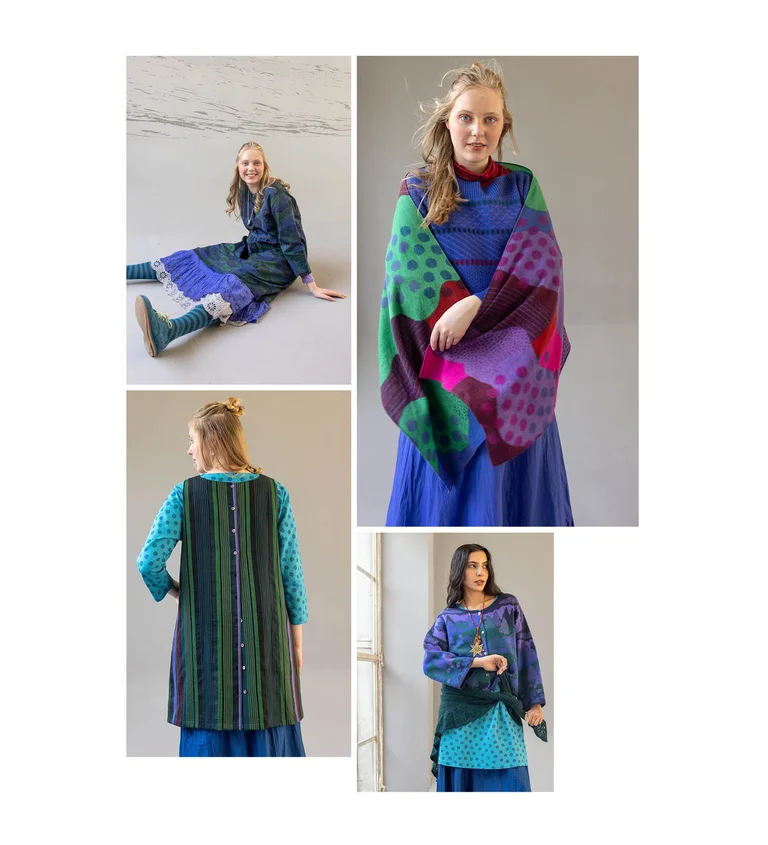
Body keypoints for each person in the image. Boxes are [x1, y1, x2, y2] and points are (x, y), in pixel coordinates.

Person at [378, 61, 573, 526]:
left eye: (490, 119)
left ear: (504, 124)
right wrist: (459, 314)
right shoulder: (417, 191)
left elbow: (544, 276)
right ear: (448, 120)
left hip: (515, 375)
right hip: (443, 373)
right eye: (467, 117)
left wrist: (476, 303)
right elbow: (408, 284)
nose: (478, 131)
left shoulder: (522, 186)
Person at [136, 397, 307, 757]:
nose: (188, 451)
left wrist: (178, 592)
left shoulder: (183, 495)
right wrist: (295, 641)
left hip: (205, 655)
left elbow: (148, 561)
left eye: (192, 441)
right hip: (268, 651)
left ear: (211, 442)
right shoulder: (276, 494)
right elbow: (292, 574)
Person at [128, 142, 345, 357]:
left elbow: (292, 241)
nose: (251, 168)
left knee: (234, 285)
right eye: (246, 163)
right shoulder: (244, 191)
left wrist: (311, 284)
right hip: (253, 248)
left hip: (279, 261)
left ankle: (168, 331)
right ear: (238, 166)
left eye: (256, 163)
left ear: (265, 165)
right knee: (202, 256)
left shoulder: (277, 196)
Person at [423, 543, 547, 792]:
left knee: (509, 781)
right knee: (461, 781)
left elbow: (526, 653)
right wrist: (478, 662)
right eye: (472, 566)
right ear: (460, 570)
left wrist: (534, 705)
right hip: (459, 713)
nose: (481, 573)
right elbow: (431, 661)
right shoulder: (448, 617)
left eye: (485, 566)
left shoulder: (507, 606)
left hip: (499, 709)